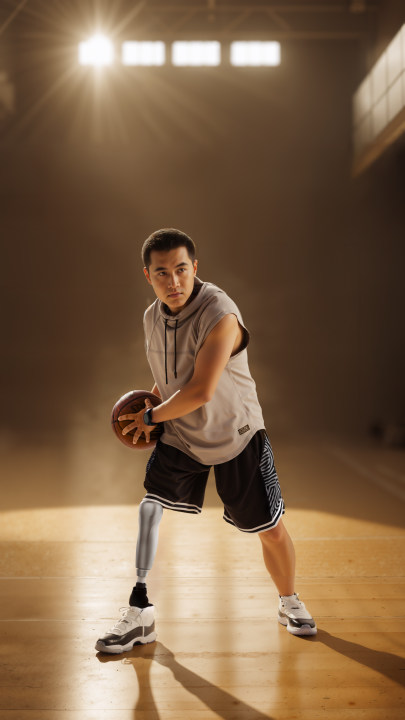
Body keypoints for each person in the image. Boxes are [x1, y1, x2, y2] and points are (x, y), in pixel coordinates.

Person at [95, 228, 317, 654]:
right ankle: (140, 612)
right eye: (162, 273)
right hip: (182, 434)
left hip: (236, 433)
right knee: (149, 508)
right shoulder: (151, 318)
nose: (174, 281)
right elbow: (171, 381)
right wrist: (151, 407)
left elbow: (200, 390)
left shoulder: (220, 313)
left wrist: (150, 416)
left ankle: (289, 600)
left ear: (195, 267)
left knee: (269, 530)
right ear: (148, 276)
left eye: (181, 269)